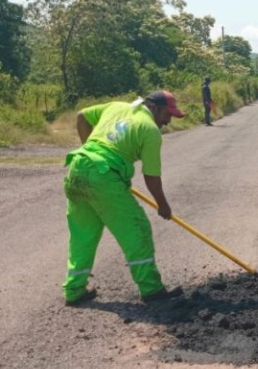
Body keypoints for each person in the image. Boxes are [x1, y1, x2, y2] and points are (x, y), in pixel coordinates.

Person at [62, 90, 186, 306]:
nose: (168, 121)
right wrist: (162, 205)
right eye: (167, 114)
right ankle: (151, 289)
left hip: (77, 169)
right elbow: (151, 177)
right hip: (104, 178)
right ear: (154, 108)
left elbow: (81, 116)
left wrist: (88, 149)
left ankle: (74, 290)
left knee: (84, 235)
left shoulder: (117, 106)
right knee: (137, 230)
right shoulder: (150, 130)